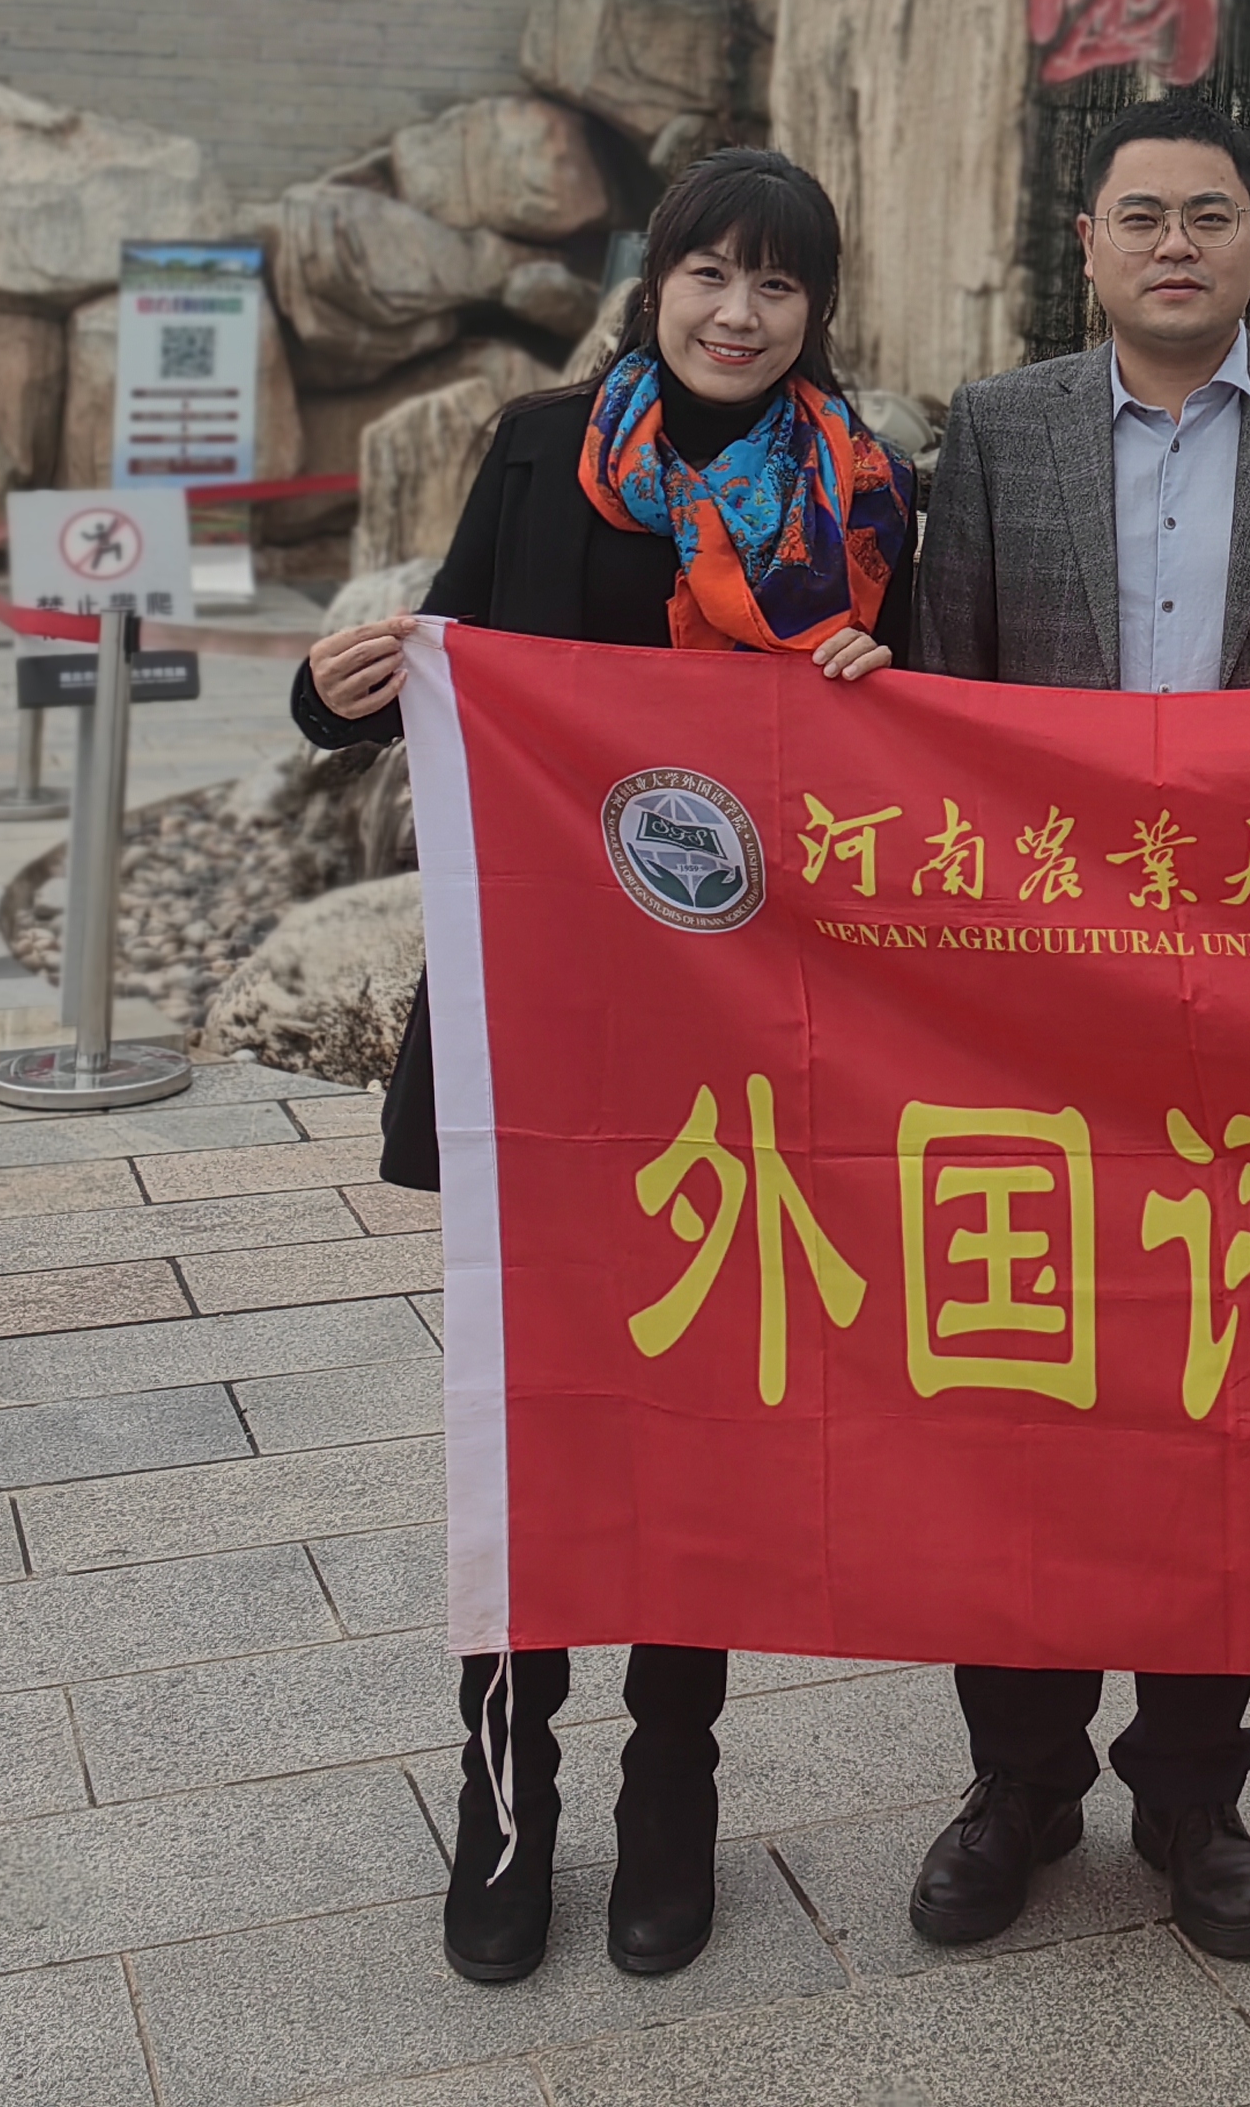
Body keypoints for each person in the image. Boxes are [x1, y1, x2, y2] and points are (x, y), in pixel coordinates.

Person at [292, 148, 912, 1994]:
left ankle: (671, 1801)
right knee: (534, 1419)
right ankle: (505, 1804)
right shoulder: (543, 451)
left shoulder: (869, 497)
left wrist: (879, 687)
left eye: (778, 284)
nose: (739, 311)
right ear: (656, 282)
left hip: (742, 1053)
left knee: (699, 1423)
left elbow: (923, 780)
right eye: (709, 271)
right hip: (544, 1032)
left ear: (817, 311)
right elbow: (451, 662)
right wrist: (336, 691)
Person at [904, 89, 1250, 1966]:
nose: (1175, 245)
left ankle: (1196, 1790)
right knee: (1023, 1384)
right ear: (1089, 247)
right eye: (1141, 216)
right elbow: (943, 711)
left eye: (1209, 214)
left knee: (1225, 1397)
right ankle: (1019, 1779)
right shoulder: (997, 429)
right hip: (1042, 1013)